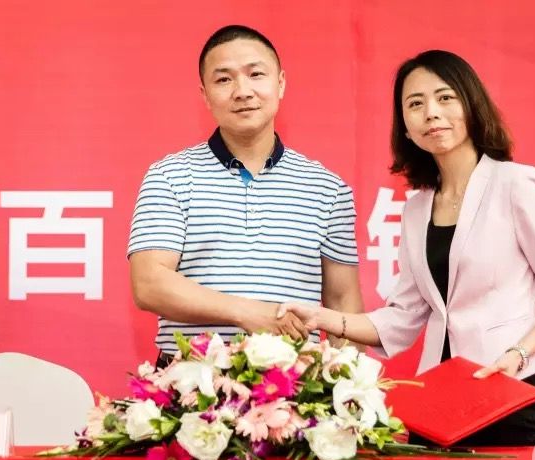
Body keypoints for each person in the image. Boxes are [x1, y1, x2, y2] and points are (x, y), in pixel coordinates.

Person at [279, 50, 535, 446]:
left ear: (471, 105)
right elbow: (403, 316)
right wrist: (321, 317)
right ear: (406, 128)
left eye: (445, 98)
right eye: (415, 104)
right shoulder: (416, 209)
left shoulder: (516, 184)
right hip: (439, 401)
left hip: (508, 389)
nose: (431, 113)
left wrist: (518, 354)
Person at [128, 25, 363, 367]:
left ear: (280, 83)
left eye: (256, 74)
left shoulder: (327, 187)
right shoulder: (169, 176)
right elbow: (149, 283)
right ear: (205, 94)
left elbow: (343, 303)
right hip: (189, 380)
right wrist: (248, 313)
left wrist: (350, 383)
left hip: (294, 383)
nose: (242, 91)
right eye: (224, 79)